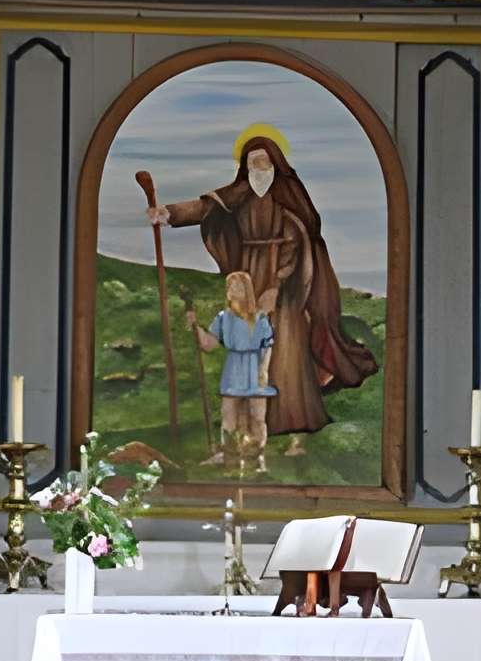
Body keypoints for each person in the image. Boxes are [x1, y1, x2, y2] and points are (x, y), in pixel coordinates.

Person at [149, 130, 378, 455]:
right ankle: (245, 424)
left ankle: (294, 418)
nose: (258, 168)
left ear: (275, 165)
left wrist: (276, 286)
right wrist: (168, 214)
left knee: (286, 343)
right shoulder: (240, 194)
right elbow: (205, 207)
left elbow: (299, 244)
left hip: (289, 283)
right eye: (252, 163)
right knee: (246, 340)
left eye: (264, 162)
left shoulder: (289, 201)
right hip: (248, 277)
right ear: (245, 167)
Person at [188, 271, 276, 475]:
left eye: (236, 286)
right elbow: (209, 344)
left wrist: (263, 370)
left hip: (254, 367)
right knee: (228, 415)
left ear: (246, 290)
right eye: (229, 287)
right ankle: (230, 457)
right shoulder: (223, 318)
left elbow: (268, 346)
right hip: (233, 368)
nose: (232, 291)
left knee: (257, 416)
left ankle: (257, 457)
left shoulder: (259, 318)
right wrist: (196, 326)